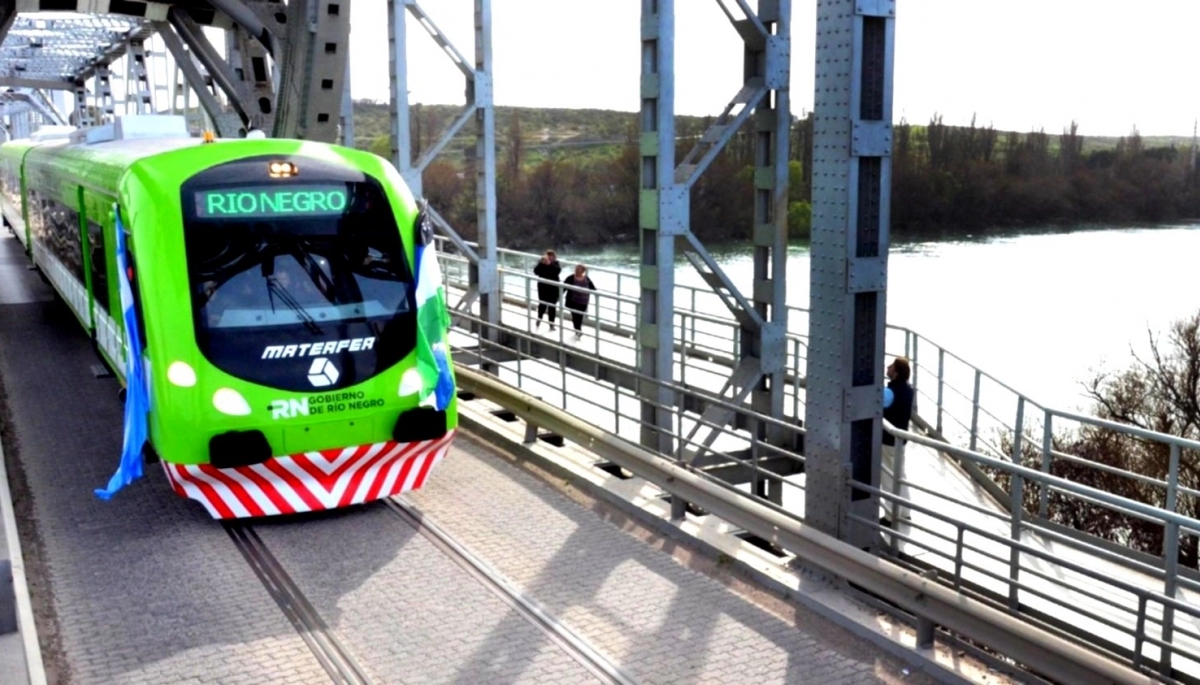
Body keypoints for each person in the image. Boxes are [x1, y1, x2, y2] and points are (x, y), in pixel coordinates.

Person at [882, 356, 913, 446]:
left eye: (891, 366)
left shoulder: (890, 392)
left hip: (887, 440)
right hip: (901, 440)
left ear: (896, 373)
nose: (888, 367)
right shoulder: (909, 390)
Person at [562, 264, 597, 340]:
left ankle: (578, 329)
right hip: (573, 301)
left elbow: (593, 288)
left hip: (583, 302)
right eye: (576, 269)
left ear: (583, 271)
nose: (577, 270)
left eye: (579, 269)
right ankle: (578, 330)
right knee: (575, 316)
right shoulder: (571, 278)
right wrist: (558, 296)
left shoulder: (587, 279)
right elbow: (563, 288)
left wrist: (596, 295)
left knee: (580, 316)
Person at [533, 249, 562, 331]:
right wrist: (542, 264)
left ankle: (551, 324)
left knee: (552, 306)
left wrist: (549, 264)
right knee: (542, 304)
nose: (549, 259)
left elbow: (557, 271)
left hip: (553, 288)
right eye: (548, 257)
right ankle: (539, 318)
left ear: (554, 258)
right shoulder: (541, 263)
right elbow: (536, 271)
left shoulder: (556, 264)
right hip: (543, 287)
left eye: (551, 257)